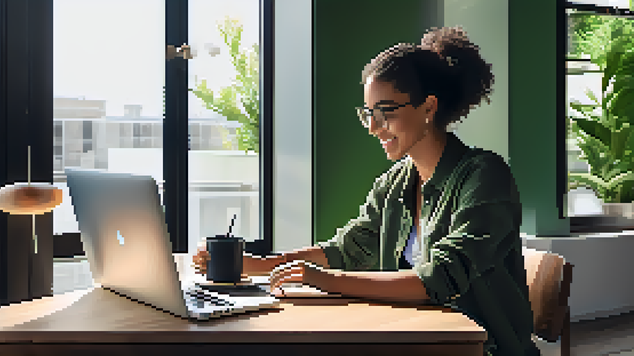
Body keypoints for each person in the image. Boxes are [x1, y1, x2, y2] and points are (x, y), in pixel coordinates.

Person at [193, 26, 540, 356]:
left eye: (386, 112)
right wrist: (258, 265)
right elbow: (345, 250)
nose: (374, 128)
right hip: (416, 339)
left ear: (429, 108)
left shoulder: (484, 176)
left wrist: (326, 281)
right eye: (368, 114)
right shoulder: (394, 184)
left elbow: (442, 276)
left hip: (483, 349)